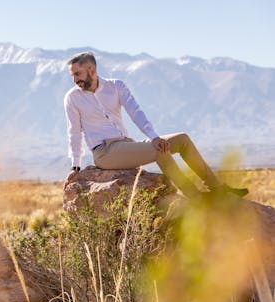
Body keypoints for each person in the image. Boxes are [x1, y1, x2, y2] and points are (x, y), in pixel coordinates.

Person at [63, 52, 248, 198]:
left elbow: (136, 112)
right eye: (73, 75)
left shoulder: (116, 86)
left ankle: (217, 188)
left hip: (125, 144)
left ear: (91, 69)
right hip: (104, 152)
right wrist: (75, 167)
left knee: (181, 139)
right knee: (160, 151)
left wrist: (154, 137)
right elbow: (74, 133)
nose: (75, 80)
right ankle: (196, 198)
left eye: (77, 74)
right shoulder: (72, 98)